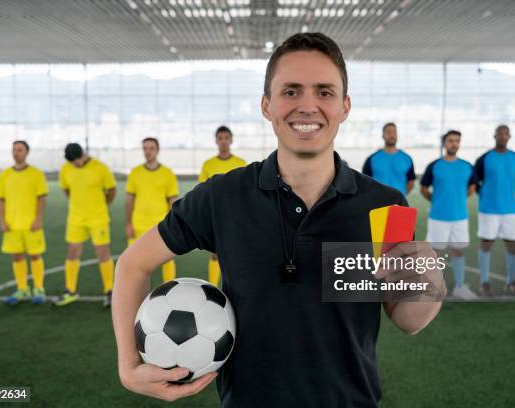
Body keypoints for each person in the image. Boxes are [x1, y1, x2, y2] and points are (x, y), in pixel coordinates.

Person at [112, 32, 445, 407]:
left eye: (324, 92)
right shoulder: (223, 196)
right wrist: (129, 366)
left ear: (345, 106)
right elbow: (132, 264)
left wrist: (431, 285)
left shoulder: (386, 206)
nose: (307, 106)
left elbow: (407, 318)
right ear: (266, 105)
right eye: (290, 91)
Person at [54, 143, 116, 307]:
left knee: (103, 253)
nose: (75, 164)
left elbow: (111, 190)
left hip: (98, 218)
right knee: (72, 252)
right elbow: (66, 190)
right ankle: (70, 291)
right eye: (72, 162)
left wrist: (101, 206)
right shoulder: (66, 169)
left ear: (83, 154)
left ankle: (109, 291)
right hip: (76, 219)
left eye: (77, 161)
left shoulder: (100, 168)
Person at [421, 130, 477, 299]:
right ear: (444, 143)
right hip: (438, 218)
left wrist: (456, 199)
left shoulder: (467, 166)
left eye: (457, 141)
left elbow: (472, 188)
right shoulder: (434, 166)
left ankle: (460, 287)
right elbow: (423, 188)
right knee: (435, 253)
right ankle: (433, 288)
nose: (454, 143)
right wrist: (438, 201)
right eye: (451, 140)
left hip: (460, 218)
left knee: (458, 251)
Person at [474, 125, 515, 296]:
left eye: (506, 133)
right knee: (486, 245)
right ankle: (484, 283)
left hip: (510, 210)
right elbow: (477, 182)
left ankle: (511, 282)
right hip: (488, 209)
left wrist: (506, 194)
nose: (503, 136)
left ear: (509, 136)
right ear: (494, 135)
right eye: (500, 133)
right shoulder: (484, 158)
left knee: (513, 247)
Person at [0, 141, 48, 305]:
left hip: (31, 225)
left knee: (35, 256)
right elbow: (1, 200)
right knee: (17, 257)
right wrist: (2, 221)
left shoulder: (36, 174)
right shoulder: (4, 175)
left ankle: (39, 288)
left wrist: (38, 219)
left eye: (20, 150)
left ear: (27, 152)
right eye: (14, 150)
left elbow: (42, 198)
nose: (16, 153)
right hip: (12, 225)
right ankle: (22, 289)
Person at [198, 126, 246, 286]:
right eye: (220, 138)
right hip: (215, 214)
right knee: (215, 253)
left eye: (226, 138)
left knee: (235, 252)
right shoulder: (208, 164)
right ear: (216, 141)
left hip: (235, 215)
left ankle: (235, 287)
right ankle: (212, 288)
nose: (223, 141)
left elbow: (245, 189)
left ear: (231, 140)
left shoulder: (241, 163)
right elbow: (202, 191)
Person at [126, 137, 179, 282]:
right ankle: (135, 293)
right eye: (145, 148)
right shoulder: (135, 172)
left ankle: (169, 288)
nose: (148, 152)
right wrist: (129, 223)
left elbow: (173, 201)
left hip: (160, 225)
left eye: (151, 148)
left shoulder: (167, 173)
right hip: (138, 225)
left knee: (167, 259)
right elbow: (130, 199)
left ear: (157, 150)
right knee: (134, 262)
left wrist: (172, 224)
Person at [362, 122, 416, 195]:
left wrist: (401, 195)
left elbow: (411, 182)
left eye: (394, 132)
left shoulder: (406, 159)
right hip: (377, 203)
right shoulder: (372, 159)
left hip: (398, 203)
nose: (392, 135)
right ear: (383, 135)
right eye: (388, 132)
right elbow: (364, 182)